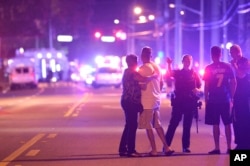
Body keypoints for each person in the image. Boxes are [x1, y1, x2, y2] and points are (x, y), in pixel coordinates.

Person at [137, 46, 174, 156]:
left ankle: (154, 150)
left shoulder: (143, 68)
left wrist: (138, 84)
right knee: (157, 125)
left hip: (147, 101)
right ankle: (167, 147)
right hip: (156, 100)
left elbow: (142, 86)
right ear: (151, 56)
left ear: (142, 56)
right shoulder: (157, 67)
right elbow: (161, 83)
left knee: (148, 126)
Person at [119, 54, 156, 157]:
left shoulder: (127, 71)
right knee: (132, 125)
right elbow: (143, 79)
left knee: (128, 125)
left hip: (127, 101)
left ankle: (122, 148)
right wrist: (153, 76)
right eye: (135, 60)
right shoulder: (131, 72)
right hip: (130, 102)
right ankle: (131, 150)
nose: (137, 62)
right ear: (130, 62)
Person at [165, 54, 202, 153]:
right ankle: (166, 145)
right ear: (182, 62)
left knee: (187, 125)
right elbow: (169, 74)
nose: (187, 62)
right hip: (179, 102)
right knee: (173, 123)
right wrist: (169, 64)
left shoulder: (194, 74)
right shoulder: (178, 72)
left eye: (189, 60)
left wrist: (196, 90)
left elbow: (199, 86)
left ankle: (186, 146)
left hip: (190, 102)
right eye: (186, 60)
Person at [203, 46, 236, 154]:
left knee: (215, 123)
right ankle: (229, 148)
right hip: (225, 98)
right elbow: (234, 82)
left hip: (213, 99)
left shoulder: (208, 68)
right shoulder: (227, 67)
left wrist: (206, 97)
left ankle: (217, 148)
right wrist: (231, 96)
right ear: (220, 54)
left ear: (212, 55)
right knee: (227, 123)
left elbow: (206, 85)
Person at [231, 56, 250, 150]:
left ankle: (246, 144)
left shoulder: (248, 77)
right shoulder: (235, 78)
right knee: (237, 124)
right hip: (237, 104)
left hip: (247, 104)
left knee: (247, 123)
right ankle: (240, 144)